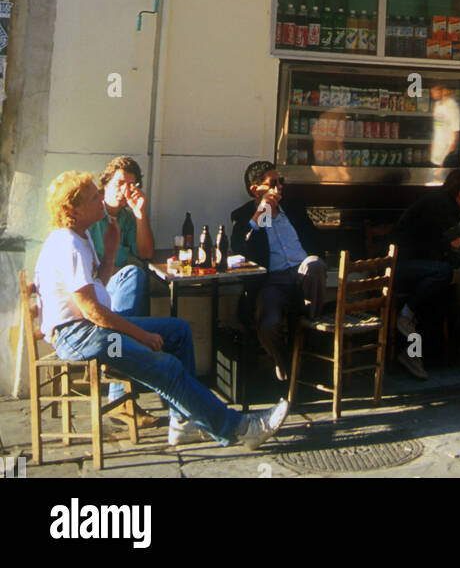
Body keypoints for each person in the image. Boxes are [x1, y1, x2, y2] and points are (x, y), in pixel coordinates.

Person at [34, 171, 291, 450]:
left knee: (178, 330)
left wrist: (109, 254)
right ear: (73, 209)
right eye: (94, 197)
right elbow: (91, 309)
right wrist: (141, 336)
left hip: (93, 330)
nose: (100, 199)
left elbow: (99, 289)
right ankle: (239, 428)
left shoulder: (80, 238)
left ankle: (183, 423)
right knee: (163, 365)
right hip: (82, 337)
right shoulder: (68, 243)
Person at [230, 163, 327, 383]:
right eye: (273, 183)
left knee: (315, 264)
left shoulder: (292, 208)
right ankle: (286, 366)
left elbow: (317, 241)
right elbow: (240, 250)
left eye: (280, 181)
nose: (279, 187)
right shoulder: (245, 215)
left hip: (304, 273)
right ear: (256, 190)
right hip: (273, 281)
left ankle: (310, 321)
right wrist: (260, 215)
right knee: (268, 324)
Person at [390, 167, 460, 380]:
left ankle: (414, 355)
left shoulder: (447, 205)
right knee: (445, 273)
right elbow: (454, 242)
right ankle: (405, 316)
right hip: (399, 266)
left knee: (441, 294)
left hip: (421, 267)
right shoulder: (440, 204)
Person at [88, 156, 156, 426]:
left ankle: (118, 382)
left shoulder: (127, 218)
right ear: (104, 184)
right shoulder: (91, 215)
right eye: (119, 183)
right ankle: (120, 392)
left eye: (131, 185)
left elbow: (146, 252)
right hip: (92, 292)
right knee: (132, 274)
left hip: (116, 294)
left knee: (135, 276)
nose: (125, 190)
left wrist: (140, 214)